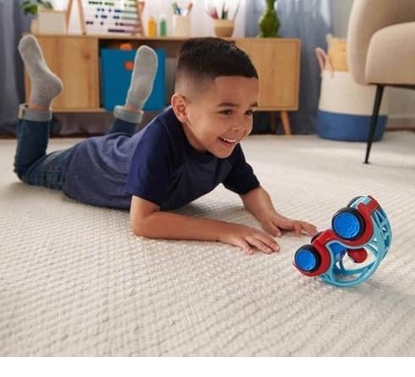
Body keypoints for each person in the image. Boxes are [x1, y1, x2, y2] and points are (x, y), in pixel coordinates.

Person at [14, 35, 316, 255]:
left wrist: (269, 215)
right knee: (27, 168)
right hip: (84, 164)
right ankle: (41, 98)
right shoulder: (160, 141)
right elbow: (143, 221)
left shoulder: (225, 140)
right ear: (182, 108)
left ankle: (133, 104)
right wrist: (223, 229)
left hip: (123, 148)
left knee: (121, 143)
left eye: (249, 111)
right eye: (227, 111)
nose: (241, 126)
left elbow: (250, 189)